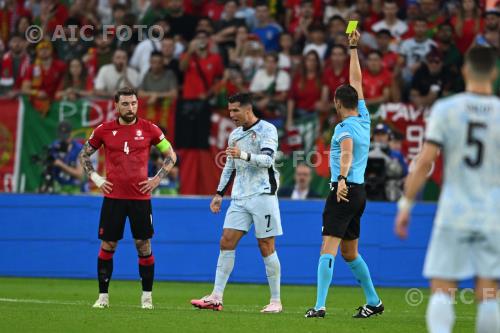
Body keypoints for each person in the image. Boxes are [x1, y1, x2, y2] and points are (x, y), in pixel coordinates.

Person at [395, 47, 500, 333]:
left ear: (465, 71)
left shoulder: (446, 108)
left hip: (454, 211)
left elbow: (425, 161)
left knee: (442, 286)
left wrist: (406, 206)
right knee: (489, 289)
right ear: (494, 72)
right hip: (493, 214)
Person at [305, 30, 384, 319]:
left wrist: (340, 179)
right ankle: (374, 302)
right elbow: (357, 82)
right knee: (350, 253)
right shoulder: (364, 119)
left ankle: (320, 305)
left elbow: (347, 153)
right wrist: (353, 48)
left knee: (328, 247)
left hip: (344, 188)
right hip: (359, 192)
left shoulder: (345, 129)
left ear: (337, 103)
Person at [78, 87, 177, 309]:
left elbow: (171, 155)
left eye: (133, 103)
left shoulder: (149, 129)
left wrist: (156, 179)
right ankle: (103, 297)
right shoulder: (104, 130)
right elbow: (83, 154)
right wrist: (96, 178)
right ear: (116, 105)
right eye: (125, 104)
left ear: (137, 104)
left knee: (143, 245)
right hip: (113, 198)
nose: (130, 107)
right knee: (108, 244)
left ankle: (147, 298)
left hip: (140, 199)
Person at [190, 92, 283, 313]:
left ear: (248, 110)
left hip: (263, 194)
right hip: (239, 197)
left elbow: (268, 160)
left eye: (235, 110)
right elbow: (229, 166)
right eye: (230, 110)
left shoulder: (267, 130)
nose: (231, 115)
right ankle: (216, 296)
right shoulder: (234, 135)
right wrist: (219, 193)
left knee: (266, 246)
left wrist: (244, 155)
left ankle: (276, 301)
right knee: (226, 241)